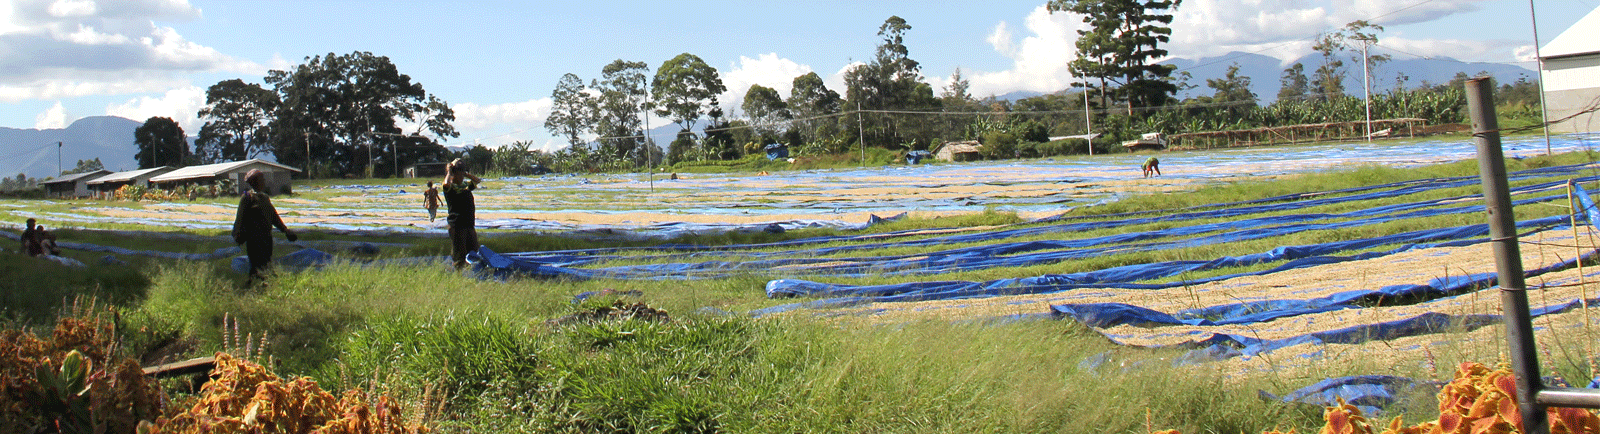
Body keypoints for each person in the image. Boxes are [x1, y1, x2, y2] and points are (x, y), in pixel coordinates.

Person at [232, 169, 297, 285]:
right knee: (256, 263)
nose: (264, 181)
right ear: (253, 182)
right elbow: (240, 217)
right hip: (254, 238)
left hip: (266, 237)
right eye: (262, 179)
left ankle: (260, 282)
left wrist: (285, 230)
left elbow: (273, 216)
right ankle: (255, 283)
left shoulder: (264, 198)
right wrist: (238, 233)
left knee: (266, 261)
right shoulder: (247, 198)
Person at [441, 159, 482, 269]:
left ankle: (472, 273)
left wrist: (466, 173)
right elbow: (445, 184)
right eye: (459, 172)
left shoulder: (465, 186)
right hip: (457, 225)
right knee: (460, 253)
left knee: (474, 251)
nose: (461, 176)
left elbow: (477, 181)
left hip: (469, 223)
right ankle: (458, 275)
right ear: (454, 173)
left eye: (462, 172)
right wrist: (450, 172)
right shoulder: (451, 187)